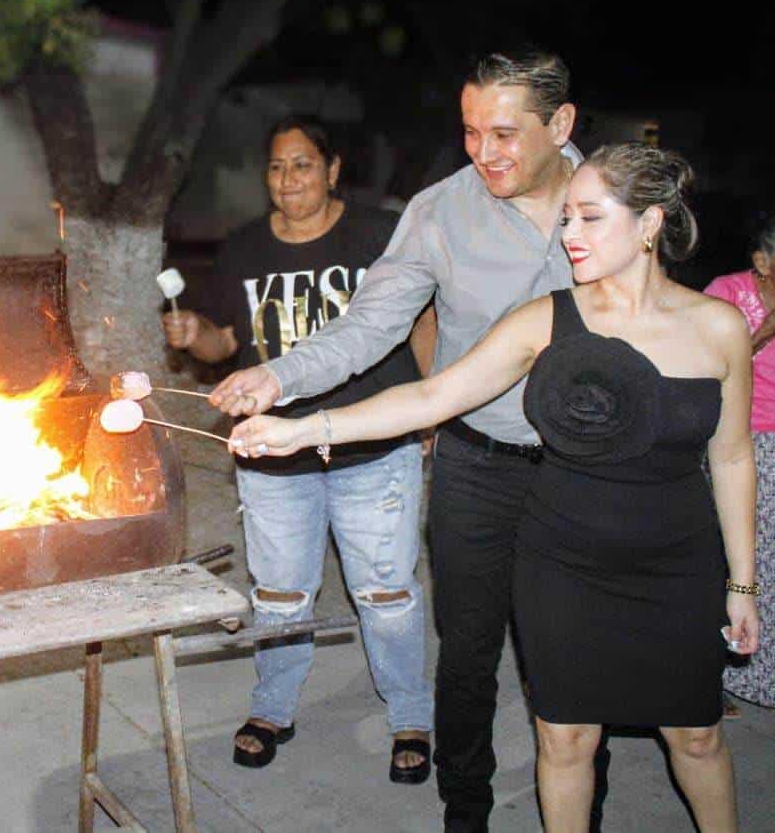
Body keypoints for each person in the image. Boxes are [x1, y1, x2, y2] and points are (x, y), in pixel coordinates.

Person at [229, 143, 760, 833]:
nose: (569, 236)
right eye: (567, 218)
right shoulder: (546, 320)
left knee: (696, 738)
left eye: (591, 219)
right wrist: (305, 428)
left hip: (677, 565)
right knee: (564, 738)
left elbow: (733, 457)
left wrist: (742, 583)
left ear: (650, 224)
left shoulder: (718, 328)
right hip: (563, 562)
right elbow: (433, 396)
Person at [210, 47, 597, 831]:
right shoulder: (437, 212)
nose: (483, 154)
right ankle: (465, 806)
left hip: (586, 471)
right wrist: (278, 378)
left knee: (578, 667)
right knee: (468, 652)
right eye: (468, 133)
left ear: (560, 125)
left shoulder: (612, 201)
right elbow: (368, 328)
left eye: (503, 133)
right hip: (476, 463)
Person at [162, 113, 436, 778]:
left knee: (386, 593)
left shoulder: (378, 235)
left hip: (375, 444)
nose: (289, 180)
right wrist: (193, 330)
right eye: (278, 167)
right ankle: (274, 703)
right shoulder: (245, 248)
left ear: (333, 168)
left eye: (304, 164)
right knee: (280, 593)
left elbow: (422, 321)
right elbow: (226, 345)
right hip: (273, 452)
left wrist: (430, 409)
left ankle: (409, 712)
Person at [705, 210, 775, 710]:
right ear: (762, 262)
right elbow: (709, 367)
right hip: (741, 438)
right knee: (747, 558)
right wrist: (770, 328)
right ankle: (728, 675)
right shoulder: (728, 294)